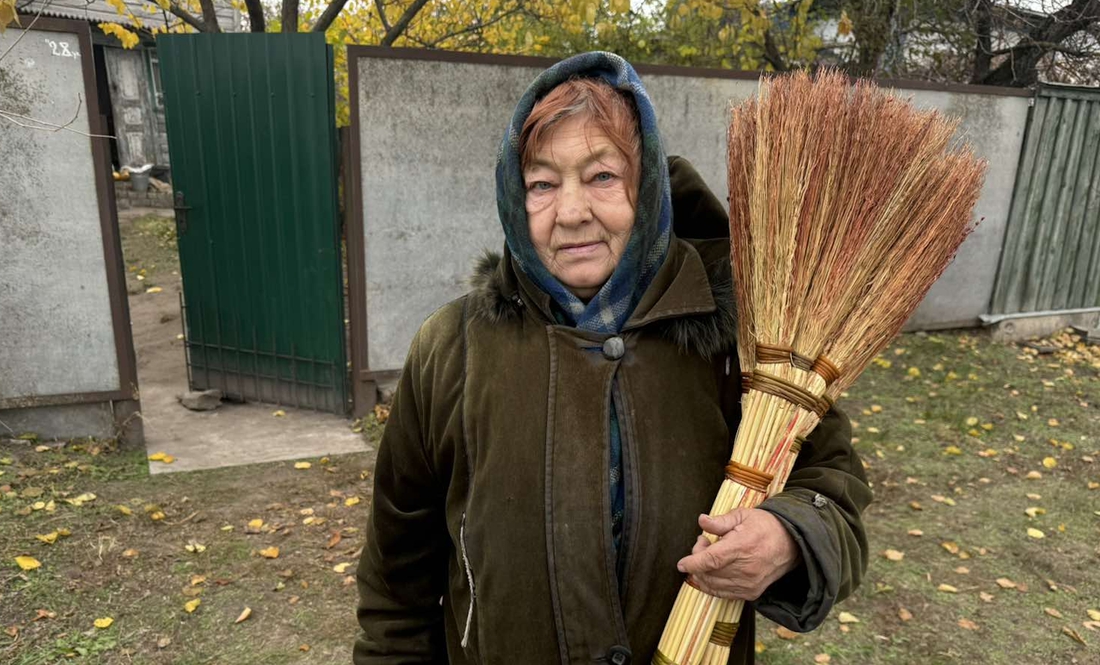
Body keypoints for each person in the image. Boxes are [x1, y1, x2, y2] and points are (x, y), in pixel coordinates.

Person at [354, 52, 872, 665]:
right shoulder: (450, 350)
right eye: (542, 184)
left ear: (647, 186)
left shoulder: (752, 342)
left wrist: (791, 536)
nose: (571, 213)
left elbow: (833, 493)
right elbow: (396, 584)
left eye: (602, 177)